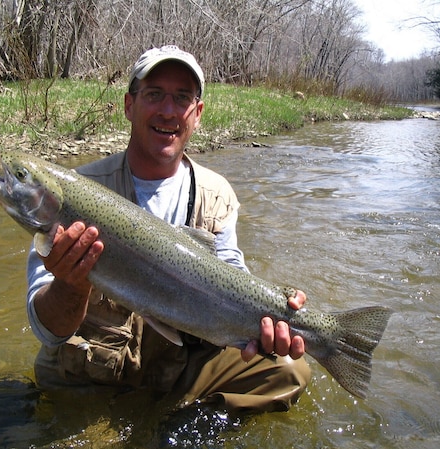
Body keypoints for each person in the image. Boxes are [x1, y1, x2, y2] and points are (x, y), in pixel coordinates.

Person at [26, 45, 311, 413]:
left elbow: (231, 275)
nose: (167, 110)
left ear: (198, 114)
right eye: (154, 94)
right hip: (94, 374)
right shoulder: (75, 193)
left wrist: (275, 312)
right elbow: (47, 330)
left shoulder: (217, 194)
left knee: (289, 371)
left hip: (180, 370)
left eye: (182, 98)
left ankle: (181, 427)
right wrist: (70, 284)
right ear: (129, 105)